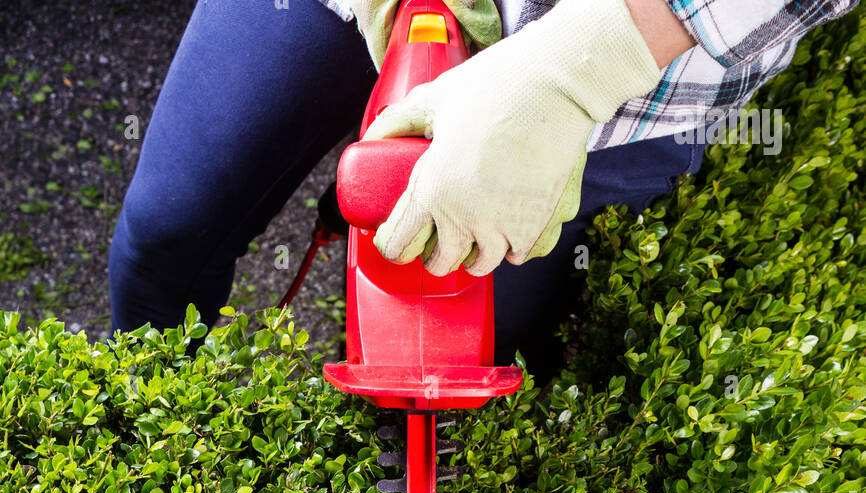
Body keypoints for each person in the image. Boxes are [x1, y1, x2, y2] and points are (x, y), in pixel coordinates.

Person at [109, 0, 859, 378]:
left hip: (625, 82)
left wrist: (573, 73)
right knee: (167, 228)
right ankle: (152, 409)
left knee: (484, 344)